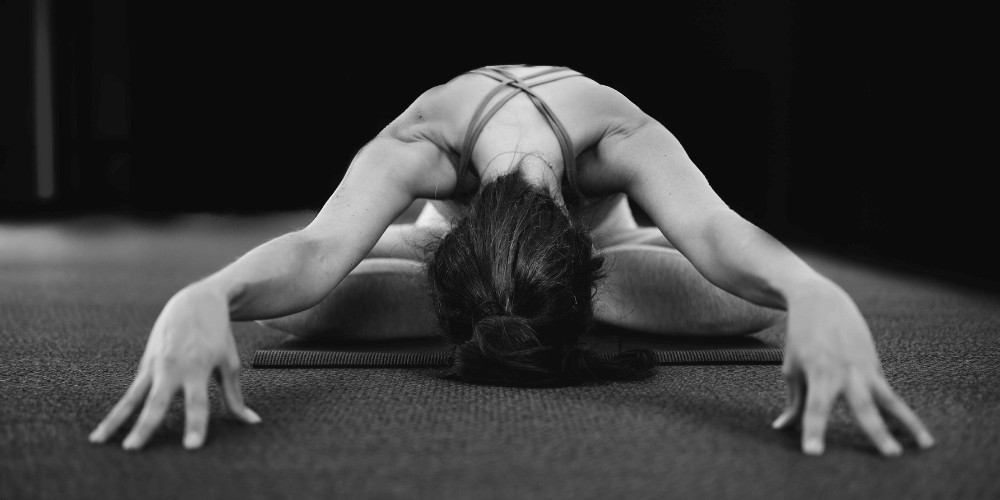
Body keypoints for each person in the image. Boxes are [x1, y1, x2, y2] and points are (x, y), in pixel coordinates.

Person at [88, 64, 935, 456]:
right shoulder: (422, 142)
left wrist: (812, 290)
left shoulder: (618, 135)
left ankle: (552, 294)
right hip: (453, 253)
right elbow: (315, 249)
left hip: (607, 251)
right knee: (294, 305)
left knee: (761, 303)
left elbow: (713, 232)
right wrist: (205, 293)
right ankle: (524, 298)